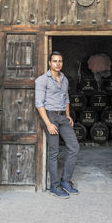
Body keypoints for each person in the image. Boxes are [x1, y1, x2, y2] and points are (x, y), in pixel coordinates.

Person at [35, 51, 80, 199]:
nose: (58, 64)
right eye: (55, 61)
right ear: (49, 63)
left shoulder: (64, 79)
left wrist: (67, 115)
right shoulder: (42, 80)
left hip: (62, 117)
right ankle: (54, 186)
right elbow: (39, 104)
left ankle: (65, 181)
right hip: (50, 116)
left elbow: (66, 98)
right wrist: (48, 123)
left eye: (60, 61)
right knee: (54, 151)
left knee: (74, 147)